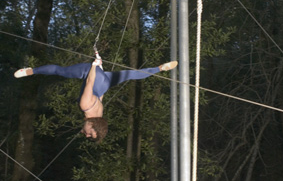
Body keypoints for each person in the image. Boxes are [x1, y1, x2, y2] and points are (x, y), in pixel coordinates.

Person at [14, 58, 178, 143]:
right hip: (93, 75)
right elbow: (90, 82)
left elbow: (99, 95)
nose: (86, 135)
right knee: (59, 70)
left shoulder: (99, 114)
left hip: (104, 84)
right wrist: (95, 65)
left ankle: (158, 69)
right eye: (89, 133)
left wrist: (101, 71)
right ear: (93, 125)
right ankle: (30, 71)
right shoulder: (85, 106)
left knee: (130, 75)